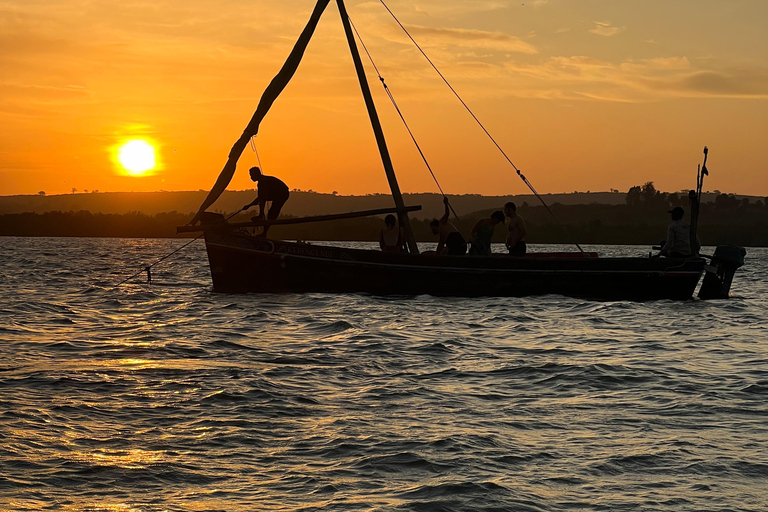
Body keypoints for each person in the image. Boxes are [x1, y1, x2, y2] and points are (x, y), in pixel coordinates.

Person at [242, 167, 290, 237]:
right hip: (275, 194)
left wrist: (249, 205)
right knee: (263, 200)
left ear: (257, 174)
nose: (251, 177)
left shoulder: (263, 182)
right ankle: (261, 216)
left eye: (252, 175)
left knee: (271, 213)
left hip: (282, 194)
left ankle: (264, 231)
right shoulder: (260, 183)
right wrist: (249, 206)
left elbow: (261, 199)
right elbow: (260, 198)